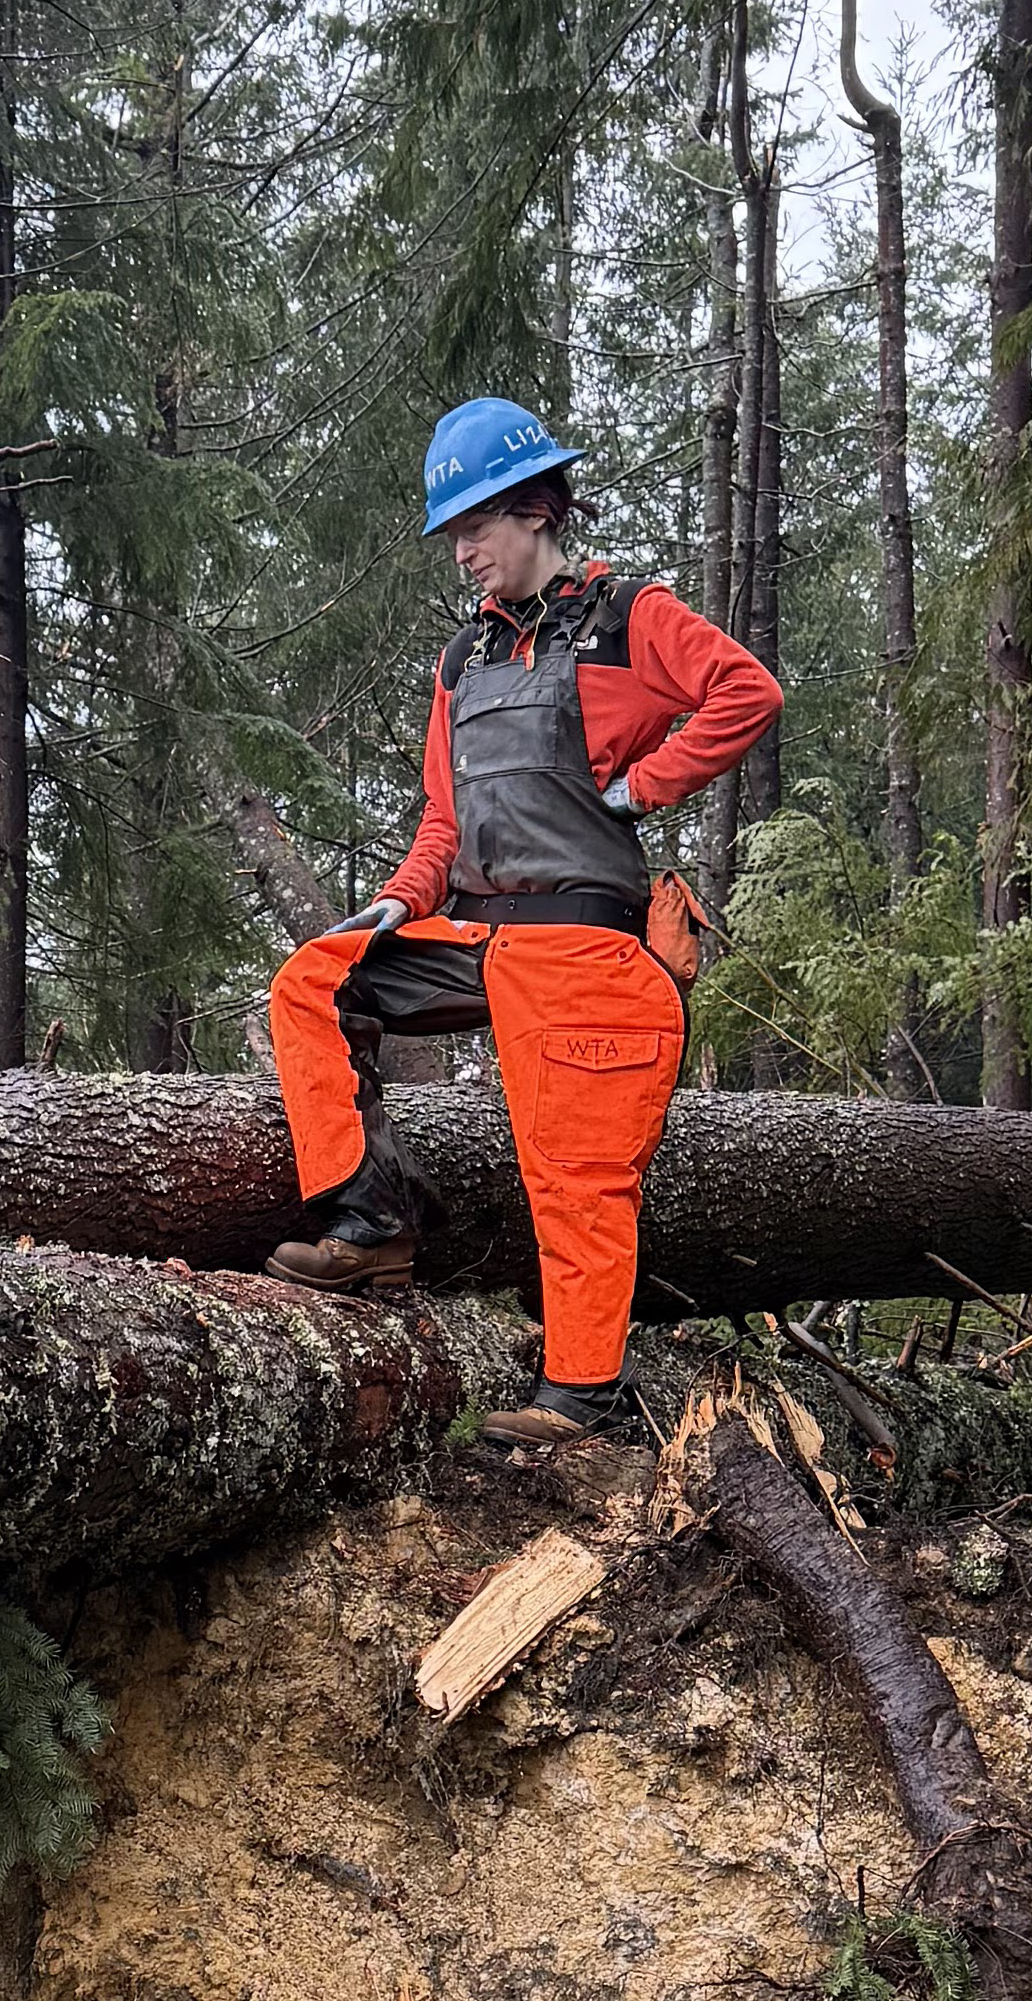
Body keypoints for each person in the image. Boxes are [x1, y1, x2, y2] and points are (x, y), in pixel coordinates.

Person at [263, 396, 784, 1436]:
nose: (462, 554)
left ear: (537, 509)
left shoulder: (628, 617)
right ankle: (370, 1218)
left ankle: (577, 1394)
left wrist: (650, 785)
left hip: (587, 954)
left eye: (474, 528)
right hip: (478, 941)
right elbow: (444, 827)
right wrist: (391, 905)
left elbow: (747, 691)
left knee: (577, 1178)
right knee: (314, 978)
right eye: (452, 534)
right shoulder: (464, 664)